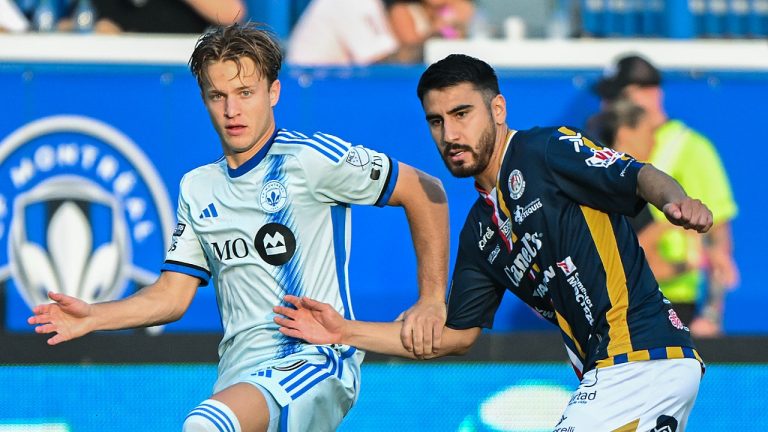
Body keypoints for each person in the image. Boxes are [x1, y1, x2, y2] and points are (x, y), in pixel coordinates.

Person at [27, 23, 450, 432]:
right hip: (239, 376)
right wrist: (93, 316)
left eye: (245, 93)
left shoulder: (309, 160)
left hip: (314, 358)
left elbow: (425, 191)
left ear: (274, 92)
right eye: (218, 96)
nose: (232, 110)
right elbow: (172, 296)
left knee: (206, 425)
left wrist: (431, 299)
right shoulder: (197, 187)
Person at [274, 54, 713, 431]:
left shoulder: (545, 150)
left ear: (497, 109)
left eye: (462, 114)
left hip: (638, 358)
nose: (449, 134)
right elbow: (454, 336)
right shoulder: (480, 231)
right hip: (623, 371)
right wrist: (342, 332)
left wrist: (676, 201)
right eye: (436, 121)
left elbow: (637, 174)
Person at [593, 54, 739, 336]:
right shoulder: (607, 149)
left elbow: (718, 240)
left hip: (674, 301)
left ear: (649, 94)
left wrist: (711, 314)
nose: (607, 106)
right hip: (618, 301)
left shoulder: (692, 148)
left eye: (617, 96)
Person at [588, 99, 703, 306]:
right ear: (625, 134)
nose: (655, 141)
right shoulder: (619, 189)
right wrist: (690, 263)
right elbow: (636, 264)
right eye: (649, 132)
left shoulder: (602, 181)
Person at [57, 0, 246, 34]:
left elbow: (233, 14)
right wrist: (94, 31)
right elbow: (61, 26)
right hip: (114, 74)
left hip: (177, 76)